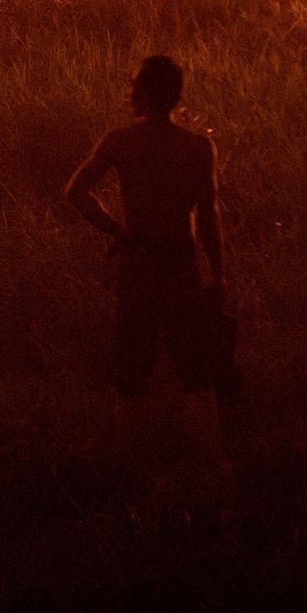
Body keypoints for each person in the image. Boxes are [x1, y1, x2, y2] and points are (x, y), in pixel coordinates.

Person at [65, 55, 231, 463]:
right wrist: (218, 273)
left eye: (134, 84)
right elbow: (209, 215)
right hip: (180, 262)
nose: (129, 91)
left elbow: (76, 192)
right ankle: (210, 462)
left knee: (131, 365)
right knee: (195, 366)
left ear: (142, 93)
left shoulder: (121, 142)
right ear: (176, 95)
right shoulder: (197, 147)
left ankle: (126, 461)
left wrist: (117, 231)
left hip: (139, 260)